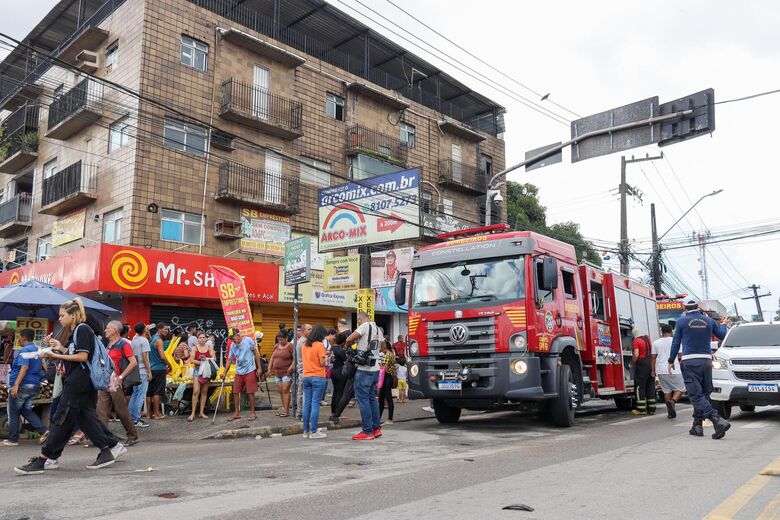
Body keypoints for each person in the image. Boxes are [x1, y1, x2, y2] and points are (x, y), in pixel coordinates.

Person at [14, 299, 126, 475]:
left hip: (79, 382)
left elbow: (82, 357)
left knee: (62, 418)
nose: (59, 318)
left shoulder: (82, 329)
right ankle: (108, 448)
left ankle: (45, 458)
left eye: (62, 315)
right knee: (85, 418)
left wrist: (54, 354)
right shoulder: (77, 332)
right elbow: (75, 353)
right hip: (81, 382)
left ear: (73, 315)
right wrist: (59, 348)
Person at [669, 298, 730, 439]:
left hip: (690, 361)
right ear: (697, 306)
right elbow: (722, 334)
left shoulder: (681, 322)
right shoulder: (708, 321)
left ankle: (717, 419)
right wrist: (724, 324)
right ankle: (697, 426)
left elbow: (676, 342)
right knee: (703, 394)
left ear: (685, 307)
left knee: (696, 395)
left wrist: (671, 360)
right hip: (706, 361)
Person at [2, 329, 47, 447]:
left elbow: (24, 368)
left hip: (23, 385)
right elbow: (43, 364)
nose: (18, 339)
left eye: (19, 337)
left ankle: (13, 439)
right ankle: (44, 431)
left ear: (24, 338)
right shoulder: (37, 350)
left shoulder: (25, 350)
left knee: (14, 411)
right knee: (26, 410)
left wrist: (16, 385)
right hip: (34, 384)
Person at [97, 321, 139, 445]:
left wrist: (121, 377)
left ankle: (132, 436)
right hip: (106, 381)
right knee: (101, 410)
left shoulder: (123, 344)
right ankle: (101, 438)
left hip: (116, 382)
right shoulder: (109, 344)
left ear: (115, 330)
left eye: (108, 328)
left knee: (121, 411)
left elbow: (133, 362)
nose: (105, 330)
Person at [345, 311, 382, 441]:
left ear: (360, 319)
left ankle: (367, 431)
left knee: (363, 400)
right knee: (372, 399)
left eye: (358, 321)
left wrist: (348, 346)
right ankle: (376, 428)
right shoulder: (378, 329)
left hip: (364, 369)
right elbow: (381, 347)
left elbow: (349, 338)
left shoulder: (364, 326)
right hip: (375, 368)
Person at [223, 329, 262, 422]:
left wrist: (259, 367)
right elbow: (229, 360)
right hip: (239, 371)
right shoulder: (232, 345)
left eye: (233, 338)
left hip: (250, 369)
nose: (233, 340)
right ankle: (237, 413)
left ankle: (253, 412)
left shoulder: (248, 340)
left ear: (238, 335)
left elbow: (256, 353)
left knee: (250, 392)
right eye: (231, 339)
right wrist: (224, 372)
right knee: (236, 392)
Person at [301, 325, 329, 439]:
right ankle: (314, 432)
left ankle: (305, 431)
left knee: (307, 404)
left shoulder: (304, 345)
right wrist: (327, 357)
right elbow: (323, 363)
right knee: (315, 403)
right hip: (318, 376)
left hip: (306, 376)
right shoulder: (319, 345)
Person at [651, 324, 684, 419]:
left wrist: (653, 371)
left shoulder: (656, 343)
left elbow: (653, 358)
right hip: (675, 369)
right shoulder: (676, 341)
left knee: (666, 391)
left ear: (661, 332)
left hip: (661, 370)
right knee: (680, 388)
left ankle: (670, 412)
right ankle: (673, 401)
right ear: (671, 332)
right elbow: (681, 355)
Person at [188, 331, 216, 421]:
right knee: (196, 391)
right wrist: (202, 362)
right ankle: (192, 413)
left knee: (204, 392)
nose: (202, 339)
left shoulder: (209, 348)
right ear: (197, 339)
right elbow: (192, 360)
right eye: (200, 337)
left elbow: (214, 359)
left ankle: (201, 412)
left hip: (207, 371)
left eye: (204, 337)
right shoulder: (194, 348)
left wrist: (206, 360)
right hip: (197, 371)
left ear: (206, 338)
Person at [147, 323, 171, 420]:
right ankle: (157, 413)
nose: (167, 331)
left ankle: (148, 414)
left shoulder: (152, 338)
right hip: (159, 368)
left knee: (149, 392)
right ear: (159, 329)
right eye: (165, 329)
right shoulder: (159, 340)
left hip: (151, 368)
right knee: (157, 391)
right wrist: (169, 364)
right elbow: (162, 356)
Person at [129, 323, 152, 428]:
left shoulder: (134, 340)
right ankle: (136, 418)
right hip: (143, 370)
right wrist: (149, 371)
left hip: (135, 370)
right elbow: (145, 357)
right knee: (140, 395)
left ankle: (130, 416)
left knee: (135, 393)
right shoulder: (144, 341)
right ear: (144, 330)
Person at [631, 327, 656, 416]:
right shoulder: (647, 338)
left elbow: (636, 354)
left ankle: (641, 409)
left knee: (639, 387)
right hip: (650, 363)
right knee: (650, 386)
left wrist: (632, 363)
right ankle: (651, 409)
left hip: (642, 365)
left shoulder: (636, 341)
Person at [268, 332, 294, 417]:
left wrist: (291, 367)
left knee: (285, 390)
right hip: (277, 373)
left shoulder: (290, 346)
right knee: (281, 391)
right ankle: (284, 407)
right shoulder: (276, 346)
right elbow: (272, 357)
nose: (280, 341)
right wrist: (269, 368)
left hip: (287, 372)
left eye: (282, 340)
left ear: (286, 338)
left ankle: (286, 410)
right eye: (279, 340)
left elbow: (295, 358)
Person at [291, 324, 312, 420]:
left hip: (302, 371)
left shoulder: (300, 342)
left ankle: (299, 413)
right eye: (309, 329)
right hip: (305, 371)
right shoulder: (304, 342)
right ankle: (303, 415)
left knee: (300, 393)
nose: (311, 331)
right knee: (304, 395)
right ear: (303, 331)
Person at [377, 340, 397, 425]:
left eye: (382, 345)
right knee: (383, 399)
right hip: (388, 378)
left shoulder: (387, 355)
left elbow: (383, 368)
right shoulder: (391, 354)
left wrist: (378, 365)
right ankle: (378, 419)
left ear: (385, 346)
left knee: (386, 399)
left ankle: (389, 419)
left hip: (385, 378)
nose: (380, 346)